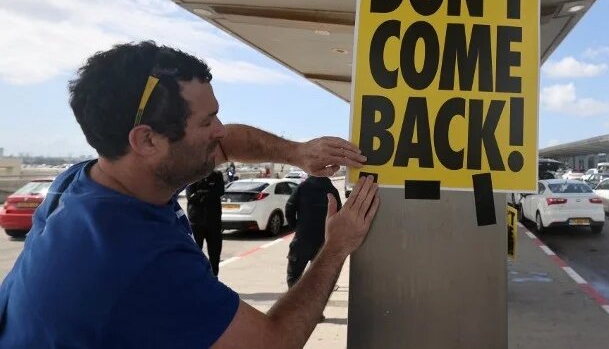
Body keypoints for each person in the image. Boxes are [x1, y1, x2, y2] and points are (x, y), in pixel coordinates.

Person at [0, 41, 378, 349]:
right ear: (146, 139)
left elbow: (227, 143)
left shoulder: (92, 180)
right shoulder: (134, 256)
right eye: (206, 122)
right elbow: (272, 343)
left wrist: (296, 153)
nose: (219, 130)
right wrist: (335, 248)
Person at [285, 176, 342, 289]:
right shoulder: (332, 190)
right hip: (323, 240)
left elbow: (289, 208)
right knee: (318, 278)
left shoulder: (302, 187)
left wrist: (297, 228)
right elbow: (339, 215)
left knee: (293, 276)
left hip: (302, 239)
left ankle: (295, 302)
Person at [186, 169, 226, 277]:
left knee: (214, 255)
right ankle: (195, 279)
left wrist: (201, 193)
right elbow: (190, 196)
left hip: (214, 222)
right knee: (195, 254)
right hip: (196, 222)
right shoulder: (192, 174)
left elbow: (219, 191)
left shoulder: (216, 175)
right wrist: (208, 193)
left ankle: (214, 279)